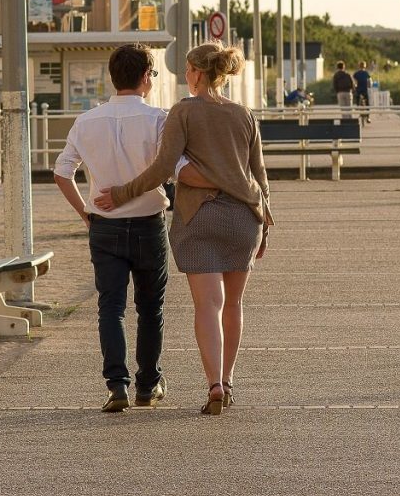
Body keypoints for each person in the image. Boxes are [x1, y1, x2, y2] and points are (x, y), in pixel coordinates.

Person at [94, 41, 273, 416]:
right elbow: (260, 174)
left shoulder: (183, 112)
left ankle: (212, 385)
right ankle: (227, 380)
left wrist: (122, 193)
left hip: (200, 218)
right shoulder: (244, 115)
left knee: (208, 305)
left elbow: (163, 169)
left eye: (187, 71)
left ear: (195, 72)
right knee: (234, 304)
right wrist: (265, 223)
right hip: (244, 217)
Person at [53, 43, 215, 412]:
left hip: (104, 226)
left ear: (113, 77)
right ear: (146, 77)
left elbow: (62, 172)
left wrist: (85, 211)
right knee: (150, 307)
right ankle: (148, 384)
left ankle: (116, 386)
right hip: (147, 223)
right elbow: (174, 169)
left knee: (110, 307)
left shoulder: (86, 121)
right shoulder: (159, 119)